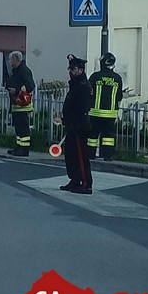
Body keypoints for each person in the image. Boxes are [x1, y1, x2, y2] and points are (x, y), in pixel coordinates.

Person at [59, 55, 92, 193]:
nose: (70, 71)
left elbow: (82, 108)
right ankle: (74, 180)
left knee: (80, 156)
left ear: (80, 69)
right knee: (70, 155)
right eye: (70, 68)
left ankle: (85, 184)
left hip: (79, 126)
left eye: (73, 68)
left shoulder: (83, 85)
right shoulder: (75, 84)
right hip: (71, 125)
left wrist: (74, 122)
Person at [86, 52, 123, 162]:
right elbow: (119, 96)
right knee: (109, 137)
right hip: (110, 114)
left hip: (95, 113)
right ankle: (108, 156)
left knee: (92, 136)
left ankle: (90, 154)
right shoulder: (117, 78)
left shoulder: (95, 77)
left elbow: (88, 92)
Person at [3, 50, 35, 157]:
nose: (9, 61)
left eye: (10, 59)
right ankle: (18, 147)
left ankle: (24, 149)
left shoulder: (24, 71)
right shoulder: (16, 71)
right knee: (18, 129)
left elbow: (30, 86)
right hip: (16, 105)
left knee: (23, 129)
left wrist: (16, 91)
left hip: (23, 106)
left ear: (15, 59)